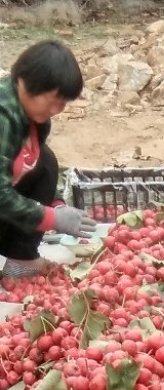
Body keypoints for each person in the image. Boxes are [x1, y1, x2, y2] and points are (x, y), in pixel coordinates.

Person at [0, 40, 95, 283]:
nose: (56, 109)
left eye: (63, 103)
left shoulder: (36, 119)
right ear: (25, 81)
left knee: (47, 161)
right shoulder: (4, 119)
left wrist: (56, 203)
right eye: (53, 99)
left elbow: (34, 167)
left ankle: (21, 260)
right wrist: (50, 218)